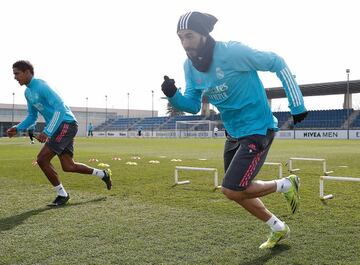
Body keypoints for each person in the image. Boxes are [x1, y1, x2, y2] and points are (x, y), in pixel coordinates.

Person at [161, 11, 308, 249]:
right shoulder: (190, 66)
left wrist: (297, 104)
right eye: (180, 37)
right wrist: (173, 95)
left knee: (231, 189)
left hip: (258, 129)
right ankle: (278, 227)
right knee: (237, 191)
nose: (184, 43)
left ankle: (287, 184)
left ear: (203, 33)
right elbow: (192, 104)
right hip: (232, 133)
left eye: (189, 35)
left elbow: (276, 62)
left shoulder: (232, 52)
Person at [7, 60, 113, 207]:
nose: (15, 77)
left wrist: (47, 131)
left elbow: (60, 109)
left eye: (17, 74)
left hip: (66, 123)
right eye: (14, 74)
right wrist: (17, 128)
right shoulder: (27, 92)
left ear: (27, 72)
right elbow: (32, 116)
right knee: (68, 166)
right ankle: (103, 174)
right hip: (60, 126)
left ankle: (62, 195)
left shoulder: (42, 86)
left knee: (42, 159)